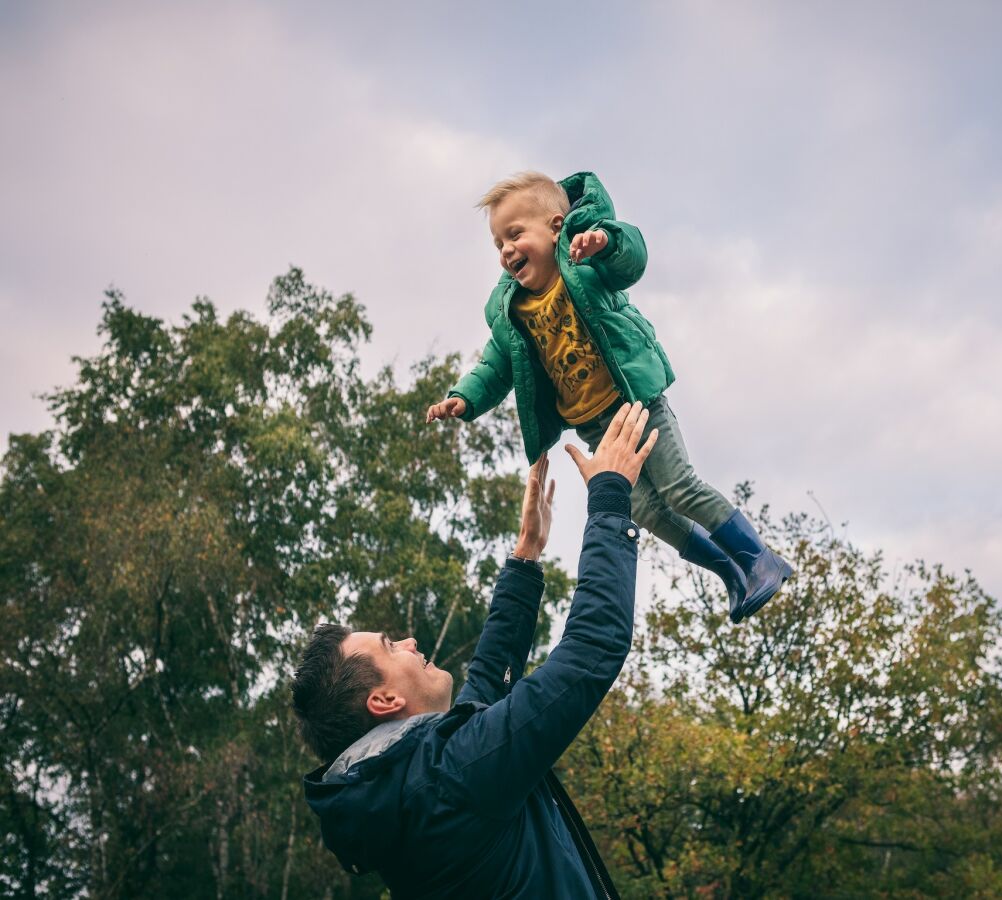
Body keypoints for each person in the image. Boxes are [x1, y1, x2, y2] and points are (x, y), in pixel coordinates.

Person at [293, 402, 659, 898]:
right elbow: (591, 649)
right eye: (389, 646)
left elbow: (482, 692)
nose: (408, 642)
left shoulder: (410, 792)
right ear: (382, 702)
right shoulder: (451, 777)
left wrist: (525, 560)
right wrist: (611, 495)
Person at [426, 171, 791, 622]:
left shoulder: (584, 257)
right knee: (646, 510)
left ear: (557, 227)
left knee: (678, 487)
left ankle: (759, 558)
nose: (505, 250)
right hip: (598, 425)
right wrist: (465, 397)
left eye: (515, 234)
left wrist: (605, 242)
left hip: (636, 400)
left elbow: (632, 258)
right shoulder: (511, 309)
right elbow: (495, 364)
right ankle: (731, 572)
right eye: (498, 243)